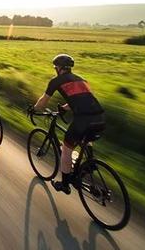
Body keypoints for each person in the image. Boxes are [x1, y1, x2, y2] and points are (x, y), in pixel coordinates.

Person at [32, 54, 105, 194]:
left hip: (83, 120)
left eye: (55, 67)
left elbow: (43, 100)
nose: (55, 69)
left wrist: (33, 109)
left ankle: (65, 184)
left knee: (66, 149)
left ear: (59, 68)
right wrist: (64, 108)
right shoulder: (81, 79)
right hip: (100, 118)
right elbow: (81, 99)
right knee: (86, 138)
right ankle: (90, 162)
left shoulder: (56, 81)